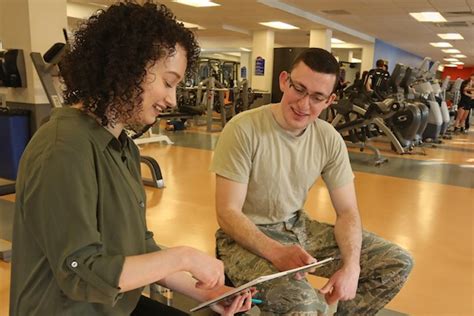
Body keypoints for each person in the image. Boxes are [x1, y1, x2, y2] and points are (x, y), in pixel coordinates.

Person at [9, 2, 253, 315]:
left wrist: (207, 293)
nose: (172, 99)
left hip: (114, 306)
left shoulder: (123, 147)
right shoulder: (63, 148)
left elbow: (139, 246)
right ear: (128, 67)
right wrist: (184, 257)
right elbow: (80, 273)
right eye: (167, 82)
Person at [211, 48, 413, 315]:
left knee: (397, 262)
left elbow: (347, 211)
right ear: (284, 81)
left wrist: (352, 267)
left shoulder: (328, 138)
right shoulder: (243, 130)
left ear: (330, 100)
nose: (304, 104)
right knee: (304, 304)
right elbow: (227, 213)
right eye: (299, 89)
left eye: (317, 97)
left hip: (297, 227)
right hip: (244, 238)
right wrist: (276, 252)